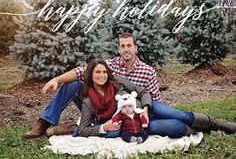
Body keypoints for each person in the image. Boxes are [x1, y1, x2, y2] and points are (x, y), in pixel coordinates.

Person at [22, 32, 236, 139]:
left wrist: (144, 112)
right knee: (70, 85)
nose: (125, 49)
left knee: (172, 119)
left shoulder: (147, 71)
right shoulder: (110, 66)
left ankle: (214, 124)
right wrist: (57, 79)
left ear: (135, 48)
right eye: (122, 46)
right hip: (109, 113)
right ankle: (44, 123)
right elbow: (81, 71)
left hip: (142, 110)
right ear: (119, 49)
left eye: (129, 46)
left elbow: (153, 98)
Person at [46, 59, 152, 138]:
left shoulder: (115, 82)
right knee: (112, 132)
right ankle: (48, 122)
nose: (102, 75)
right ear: (90, 74)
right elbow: (79, 71)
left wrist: (145, 110)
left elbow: (142, 91)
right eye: (97, 72)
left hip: (133, 113)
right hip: (103, 118)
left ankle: (75, 127)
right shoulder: (88, 98)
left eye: (104, 72)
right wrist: (56, 79)